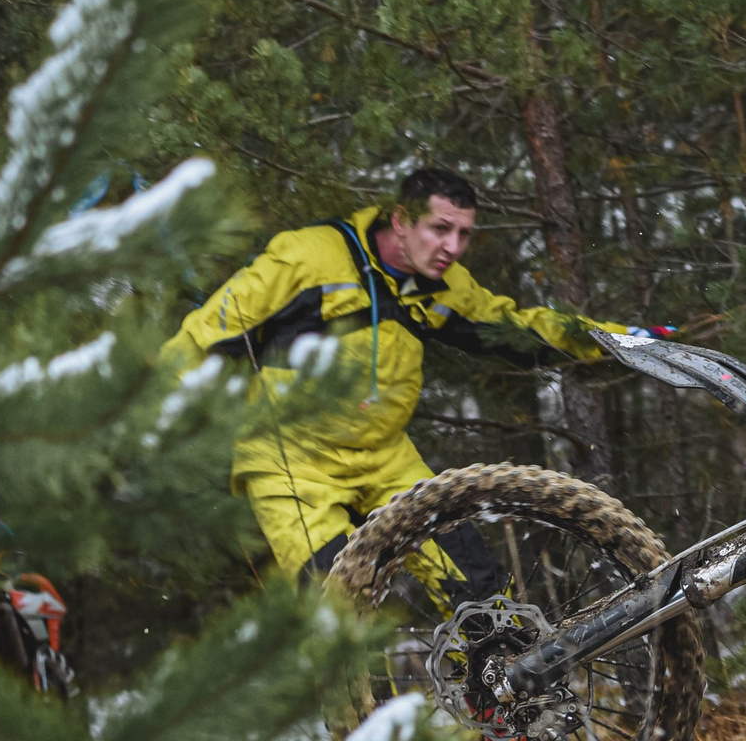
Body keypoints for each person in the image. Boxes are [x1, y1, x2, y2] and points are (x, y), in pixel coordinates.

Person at [166, 165, 657, 595]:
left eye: (464, 234)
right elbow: (205, 334)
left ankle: (500, 697)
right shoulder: (306, 257)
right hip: (292, 462)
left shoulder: (442, 283)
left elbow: (518, 329)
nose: (453, 247)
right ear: (400, 219)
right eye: (440, 229)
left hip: (385, 458)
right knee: (332, 609)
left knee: (478, 587)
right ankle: (364, 705)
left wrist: (622, 342)